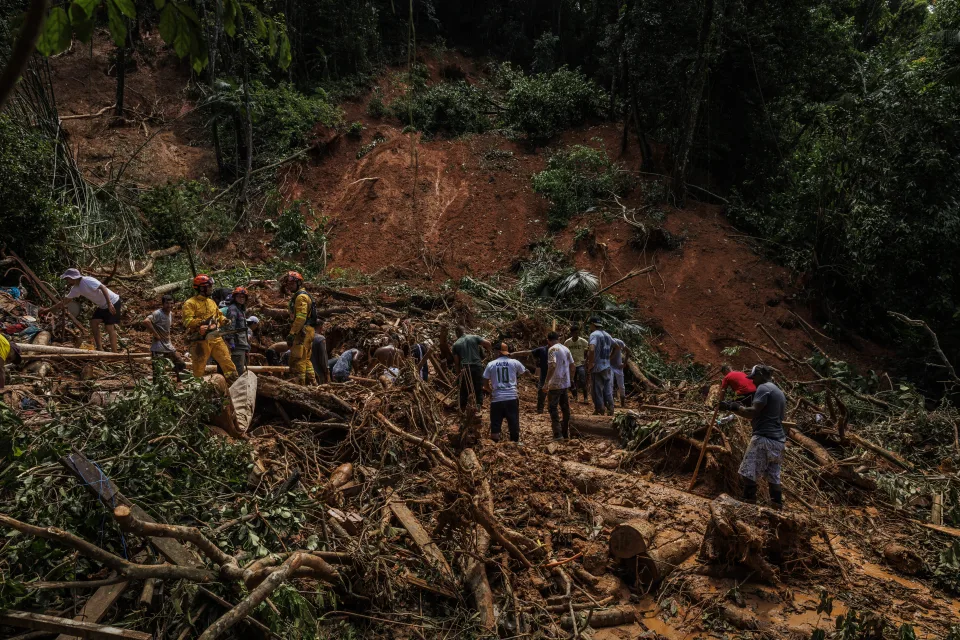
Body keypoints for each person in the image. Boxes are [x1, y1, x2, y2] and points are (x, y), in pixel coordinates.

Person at [720, 365, 787, 509]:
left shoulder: (763, 388)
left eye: (754, 378)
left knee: (747, 473)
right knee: (773, 477)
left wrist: (734, 406)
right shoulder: (778, 391)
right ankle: (777, 508)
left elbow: (752, 412)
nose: (753, 382)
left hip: (764, 438)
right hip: (779, 441)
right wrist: (735, 408)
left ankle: (747, 507)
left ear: (761, 375)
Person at [43, 269, 122, 352]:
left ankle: (115, 353)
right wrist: (48, 310)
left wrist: (109, 303)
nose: (67, 281)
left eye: (67, 279)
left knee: (109, 327)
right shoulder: (75, 288)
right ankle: (100, 348)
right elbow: (65, 301)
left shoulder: (87, 280)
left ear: (72, 278)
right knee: (94, 322)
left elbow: (103, 287)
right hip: (103, 306)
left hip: (113, 302)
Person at [182, 274, 237, 381]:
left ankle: (233, 383)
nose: (211, 289)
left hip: (215, 337)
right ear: (202, 288)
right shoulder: (190, 303)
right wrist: (200, 324)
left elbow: (218, 315)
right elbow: (187, 321)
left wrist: (224, 320)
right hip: (200, 339)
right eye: (209, 287)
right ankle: (198, 388)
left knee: (226, 361)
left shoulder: (211, 302)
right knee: (199, 366)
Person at [482, 342, 528, 442]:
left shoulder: (490, 364)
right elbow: (525, 373)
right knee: (513, 422)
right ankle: (514, 444)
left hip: (497, 399)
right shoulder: (514, 362)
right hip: (511, 398)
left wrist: (491, 391)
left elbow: (485, 385)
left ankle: (494, 446)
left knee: (495, 424)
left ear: (497, 352)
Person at [281, 271, 319, 386]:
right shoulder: (303, 295)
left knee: (298, 360)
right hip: (308, 330)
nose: (289, 286)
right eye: (288, 284)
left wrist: (292, 333)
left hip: (302, 332)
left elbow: (301, 318)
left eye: (292, 283)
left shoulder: (300, 297)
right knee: (306, 360)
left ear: (299, 283)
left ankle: (301, 386)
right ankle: (313, 383)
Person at [543, 332, 575, 440]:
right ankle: (565, 432)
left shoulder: (552, 349)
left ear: (548, 340)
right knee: (565, 408)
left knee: (553, 408)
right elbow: (573, 366)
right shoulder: (566, 349)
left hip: (555, 384)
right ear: (558, 339)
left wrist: (546, 382)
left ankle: (558, 434)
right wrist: (571, 379)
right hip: (565, 383)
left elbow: (552, 366)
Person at [144, 294, 185, 376]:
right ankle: (160, 385)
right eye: (167, 303)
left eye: (171, 303)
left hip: (168, 345)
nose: (169, 305)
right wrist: (155, 334)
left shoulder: (170, 314)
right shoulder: (158, 313)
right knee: (158, 371)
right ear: (163, 304)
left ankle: (176, 380)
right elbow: (146, 321)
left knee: (180, 363)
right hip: (158, 346)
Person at [586, 316, 620, 416]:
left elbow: (591, 348)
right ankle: (610, 408)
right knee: (607, 389)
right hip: (607, 366)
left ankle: (599, 409)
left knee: (597, 389)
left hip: (597, 367)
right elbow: (617, 347)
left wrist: (591, 363)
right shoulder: (607, 335)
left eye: (590, 325)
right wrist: (610, 357)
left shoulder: (594, 335)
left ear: (592, 324)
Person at [452, 326, 491, 410]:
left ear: (457, 333)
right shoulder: (474, 337)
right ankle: (478, 405)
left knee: (464, 388)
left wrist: (458, 373)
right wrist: (489, 352)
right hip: (477, 366)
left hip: (465, 367)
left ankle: (463, 407)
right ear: (464, 331)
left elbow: (456, 362)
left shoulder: (456, 344)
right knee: (478, 387)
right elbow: (488, 343)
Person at [512, 339, 550, 414]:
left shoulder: (559, 350)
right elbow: (527, 353)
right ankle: (540, 410)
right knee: (541, 392)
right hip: (544, 375)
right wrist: (514, 354)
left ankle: (551, 409)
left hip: (556, 375)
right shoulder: (542, 350)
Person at [224, 286, 251, 375]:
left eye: (243, 297)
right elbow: (230, 325)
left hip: (242, 344)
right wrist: (231, 341)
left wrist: (247, 346)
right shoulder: (233, 308)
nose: (241, 299)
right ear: (235, 297)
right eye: (239, 296)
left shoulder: (241, 310)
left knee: (241, 369)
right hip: (237, 345)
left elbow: (244, 329)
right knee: (237, 371)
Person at [564, 325, 589, 404]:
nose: (576, 334)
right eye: (574, 333)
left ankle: (585, 398)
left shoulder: (583, 341)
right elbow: (564, 353)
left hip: (580, 364)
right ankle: (575, 397)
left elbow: (589, 350)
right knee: (572, 381)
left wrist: (586, 359)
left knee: (582, 380)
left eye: (577, 333)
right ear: (571, 333)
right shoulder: (567, 342)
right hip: (571, 364)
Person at [610, 336, 629, 407]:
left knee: (621, 385)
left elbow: (628, 351)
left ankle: (623, 403)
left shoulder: (619, 342)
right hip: (610, 366)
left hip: (618, 366)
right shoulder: (606, 343)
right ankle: (611, 403)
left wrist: (625, 363)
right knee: (610, 384)